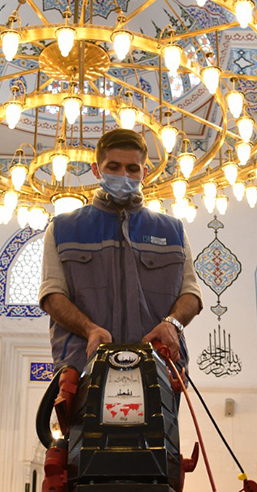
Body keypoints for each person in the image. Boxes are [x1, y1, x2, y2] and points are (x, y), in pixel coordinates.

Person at [39, 128, 203, 372]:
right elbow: (52, 295)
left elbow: (191, 294)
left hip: (159, 364)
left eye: (132, 169)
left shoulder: (172, 230)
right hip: (85, 365)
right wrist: (90, 329)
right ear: (96, 170)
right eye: (113, 167)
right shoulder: (63, 229)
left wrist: (172, 324)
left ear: (144, 172)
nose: (124, 175)